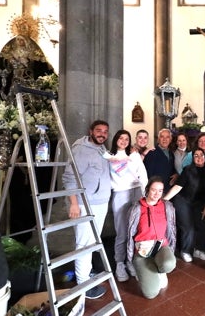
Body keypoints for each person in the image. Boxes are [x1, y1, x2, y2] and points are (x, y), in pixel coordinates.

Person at [62, 120, 111, 299]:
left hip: (100, 202)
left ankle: (85, 274)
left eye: (105, 131)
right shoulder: (81, 149)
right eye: (98, 131)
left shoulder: (102, 150)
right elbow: (69, 177)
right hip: (84, 203)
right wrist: (74, 203)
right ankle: (83, 285)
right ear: (91, 131)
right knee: (84, 243)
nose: (102, 134)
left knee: (92, 241)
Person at [107, 129, 148, 282]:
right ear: (116, 139)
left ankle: (131, 262)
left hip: (137, 191)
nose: (124, 141)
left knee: (136, 230)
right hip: (120, 193)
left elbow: (143, 175)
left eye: (126, 139)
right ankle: (119, 263)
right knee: (122, 231)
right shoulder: (109, 156)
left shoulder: (134, 155)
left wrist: (144, 195)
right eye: (121, 138)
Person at [127, 177, 177, 299]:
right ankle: (146, 269)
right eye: (154, 190)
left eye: (160, 191)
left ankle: (158, 268)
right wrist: (129, 258)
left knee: (169, 264)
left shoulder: (167, 207)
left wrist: (171, 247)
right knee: (151, 294)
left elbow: (172, 230)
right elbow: (128, 235)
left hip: (160, 246)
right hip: (142, 251)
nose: (157, 194)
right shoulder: (136, 208)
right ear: (147, 190)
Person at [163, 148, 205, 262]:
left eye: (201, 155)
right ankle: (185, 251)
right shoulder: (188, 170)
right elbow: (177, 187)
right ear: (193, 158)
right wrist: (164, 200)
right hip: (183, 200)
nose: (199, 157)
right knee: (188, 227)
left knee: (202, 223)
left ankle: (198, 249)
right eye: (196, 155)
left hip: (199, 202)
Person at [143, 128, 177, 193]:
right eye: (162, 137)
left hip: (168, 189)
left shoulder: (171, 153)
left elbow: (171, 168)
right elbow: (148, 173)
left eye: (167, 137)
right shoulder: (152, 152)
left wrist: (175, 174)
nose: (165, 139)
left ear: (170, 139)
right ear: (158, 139)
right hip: (156, 190)